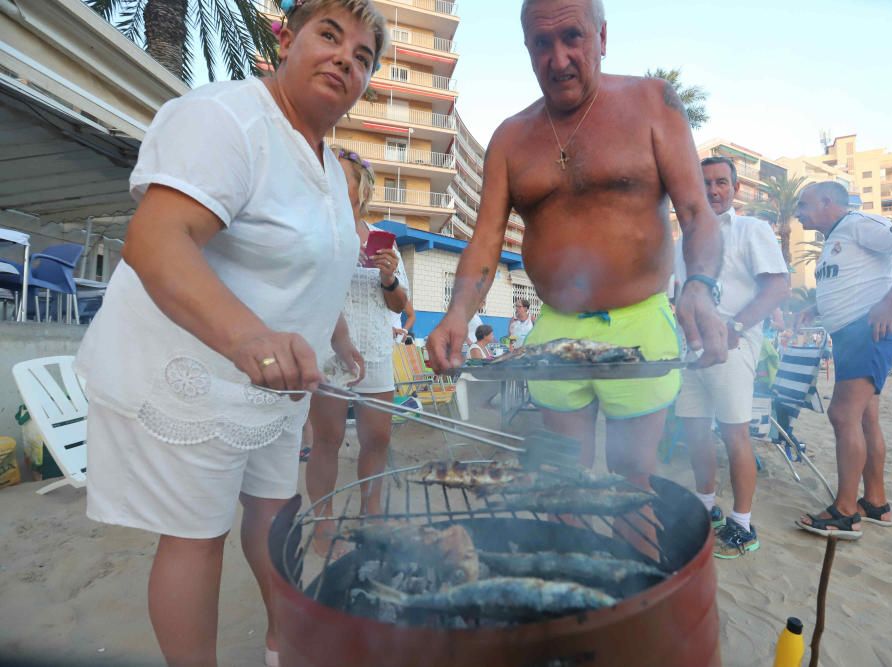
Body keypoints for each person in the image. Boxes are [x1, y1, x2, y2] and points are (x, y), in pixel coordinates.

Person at [71, 2, 385, 665]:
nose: (345, 60)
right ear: (285, 38)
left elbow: (318, 270)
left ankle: (286, 645)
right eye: (330, 36)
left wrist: (339, 345)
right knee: (197, 535)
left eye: (363, 57)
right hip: (188, 372)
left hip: (271, 389)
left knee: (277, 514)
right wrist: (248, 339)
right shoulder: (228, 118)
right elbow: (156, 242)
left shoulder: (330, 168)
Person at [425, 0, 727, 553]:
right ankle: (570, 591)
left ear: (602, 37)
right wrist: (456, 315)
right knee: (563, 476)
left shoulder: (652, 102)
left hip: (639, 323)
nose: (559, 58)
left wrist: (702, 290)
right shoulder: (511, 139)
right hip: (555, 331)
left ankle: (635, 605)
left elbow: (696, 212)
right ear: (526, 48)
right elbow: (486, 240)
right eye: (543, 43)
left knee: (630, 479)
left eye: (573, 37)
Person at [793, 181, 892, 540]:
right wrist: (818, 307)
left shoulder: (859, 223)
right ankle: (875, 503)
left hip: (869, 330)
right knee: (866, 417)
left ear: (828, 202)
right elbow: (853, 281)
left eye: (803, 203)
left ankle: (845, 512)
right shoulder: (834, 238)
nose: (797, 212)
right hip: (850, 334)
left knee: (843, 415)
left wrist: (890, 302)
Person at [674, 156, 790, 559]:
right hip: (689, 351)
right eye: (704, 182)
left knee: (734, 434)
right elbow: (679, 295)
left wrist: (737, 328)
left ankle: (742, 525)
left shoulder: (751, 229)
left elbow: (777, 287)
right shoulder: (684, 240)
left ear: (736, 189)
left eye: (721, 182)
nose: (713, 190)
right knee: (693, 430)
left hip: (734, 348)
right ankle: (707, 509)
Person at [306, 147, 409, 526]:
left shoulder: (383, 239)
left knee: (378, 440)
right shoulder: (317, 231)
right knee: (327, 441)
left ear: (361, 188)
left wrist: (388, 277)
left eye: (342, 175)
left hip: (377, 352)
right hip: (331, 354)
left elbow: (398, 305)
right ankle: (324, 522)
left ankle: (372, 517)